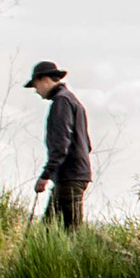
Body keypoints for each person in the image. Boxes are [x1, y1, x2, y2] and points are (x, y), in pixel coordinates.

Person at [27, 60, 94, 232]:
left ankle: (119, 249)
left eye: (36, 85)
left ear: (44, 79)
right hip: (74, 174)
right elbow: (87, 145)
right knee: (51, 230)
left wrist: (46, 174)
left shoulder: (61, 102)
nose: (36, 91)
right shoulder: (72, 100)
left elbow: (61, 143)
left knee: (70, 231)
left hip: (69, 176)